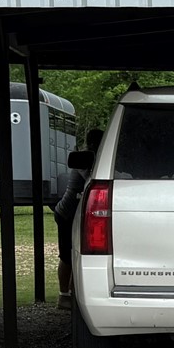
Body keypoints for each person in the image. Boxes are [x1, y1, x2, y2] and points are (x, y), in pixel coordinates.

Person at [55, 129, 102, 309]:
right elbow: (93, 179)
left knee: (78, 253)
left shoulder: (94, 158)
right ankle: (63, 296)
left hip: (78, 214)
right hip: (67, 213)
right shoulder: (84, 160)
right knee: (67, 256)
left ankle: (73, 294)